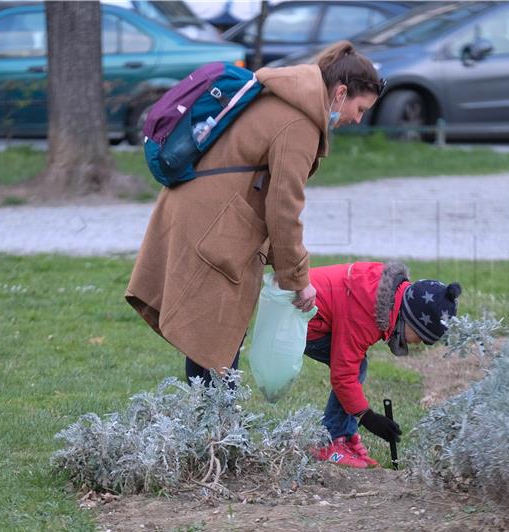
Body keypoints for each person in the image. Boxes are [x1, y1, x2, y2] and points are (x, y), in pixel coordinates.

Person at [125, 41, 386, 385]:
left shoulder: (284, 96)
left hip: (202, 214)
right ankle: (217, 431)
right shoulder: (300, 124)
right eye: (360, 107)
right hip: (214, 226)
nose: (357, 118)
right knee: (217, 341)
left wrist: (286, 268)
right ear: (340, 93)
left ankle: (209, 428)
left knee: (211, 340)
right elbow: (283, 207)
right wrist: (298, 279)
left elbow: (272, 197)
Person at [304, 261, 462, 468]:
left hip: (308, 306)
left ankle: (345, 435)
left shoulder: (388, 295)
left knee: (357, 364)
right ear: (410, 319)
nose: (416, 344)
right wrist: (367, 416)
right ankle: (329, 442)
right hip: (298, 318)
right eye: (421, 338)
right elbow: (343, 375)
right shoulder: (367, 314)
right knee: (354, 367)